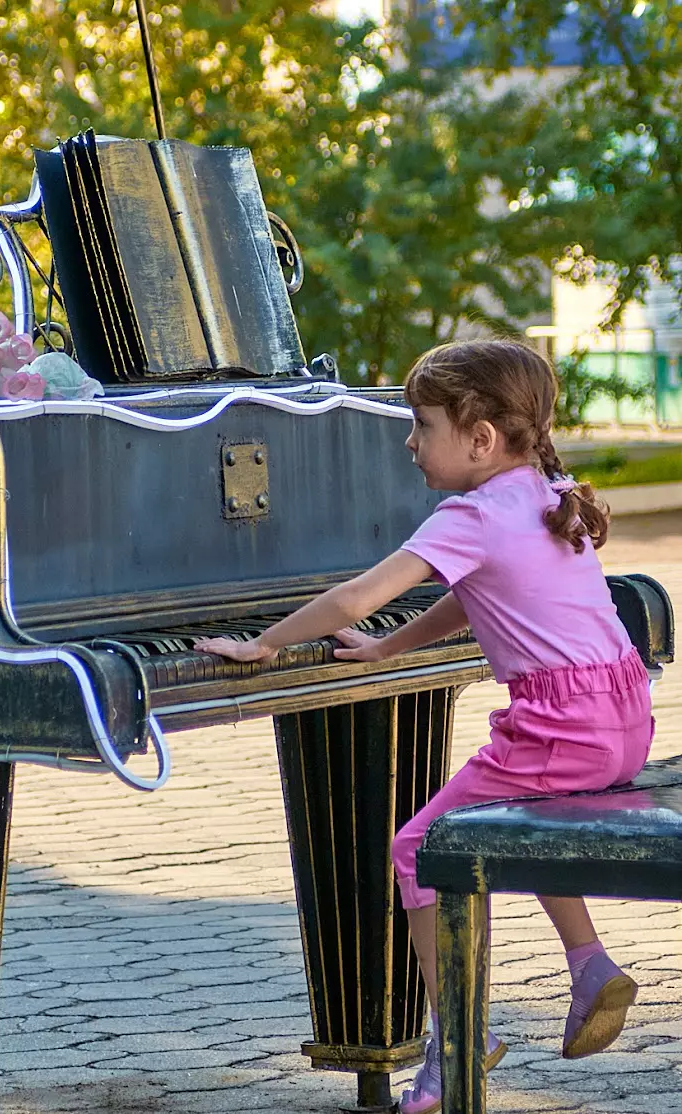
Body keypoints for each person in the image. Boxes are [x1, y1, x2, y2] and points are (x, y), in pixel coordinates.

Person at [194, 339, 654, 1114]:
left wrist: (267, 643)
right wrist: (387, 649)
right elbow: (468, 599)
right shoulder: (546, 491)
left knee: (420, 848)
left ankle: (457, 1040)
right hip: (622, 718)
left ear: (479, 439)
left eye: (422, 424)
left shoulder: (470, 513)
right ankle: (588, 964)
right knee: (526, 818)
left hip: (559, 725)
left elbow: (354, 596)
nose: (409, 441)